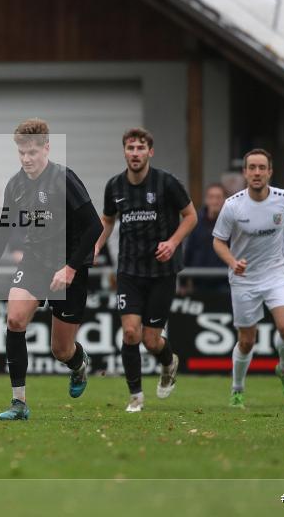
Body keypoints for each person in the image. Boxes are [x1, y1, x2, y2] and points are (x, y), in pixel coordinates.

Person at [0, 119, 102, 421]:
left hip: (69, 266)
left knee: (61, 349)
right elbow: (3, 230)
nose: (27, 158)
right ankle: (19, 403)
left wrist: (70, 268)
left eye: (32, 152)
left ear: (46, 147)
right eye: (21, 152)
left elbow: (94, 226)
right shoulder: (16, 184)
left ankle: (79, 362)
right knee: (15, 319)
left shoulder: (64, 179)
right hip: (33, 260)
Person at [95, 127, 197, 413]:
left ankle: (168, 361)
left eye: (140, 148)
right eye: (130, 148)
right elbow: (107, 220)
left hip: (162, 271)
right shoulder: (114, 186)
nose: (135, 153)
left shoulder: (166, 183)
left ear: (150, 151)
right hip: (129, 270)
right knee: (130, 333)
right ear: (124, 152)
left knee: (151, 340)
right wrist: (95, 246)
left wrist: (173, 242)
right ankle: (136, 396)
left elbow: (191, 216)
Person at [212, 149, 284, 409]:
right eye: (252, 168)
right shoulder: (233, 205)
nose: (257, 172)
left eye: (262, 167)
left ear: (270, 171)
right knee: (247, 341)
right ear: (245, 172)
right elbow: (218, 241)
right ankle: (237, 388)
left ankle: (283, 369)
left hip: (275, 274)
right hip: (244, 279)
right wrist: (232, 262)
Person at [183, 183, 227, 291]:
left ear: (225, 200)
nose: (215, 201)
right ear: (206, 200)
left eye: (218, 197)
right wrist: (183, 282)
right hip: (199, 281)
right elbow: (189, 250)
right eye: (211, 197)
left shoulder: (231, 223)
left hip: (225, 282)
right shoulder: (195, 221)